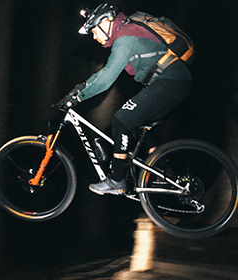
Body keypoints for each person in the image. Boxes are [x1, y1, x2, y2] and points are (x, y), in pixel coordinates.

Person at [60, 3, 192, 195]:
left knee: (121, 119)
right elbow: (102, 75)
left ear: (106, 22)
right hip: (174, 82)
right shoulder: (126, 35)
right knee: (135, 124)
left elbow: (106, 78)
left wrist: (79, 97)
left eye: (95, 30)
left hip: (171, 82)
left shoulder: (126, 37)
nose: (95, 37)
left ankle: (117, 179)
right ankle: (165, 175)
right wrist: (79, 89)